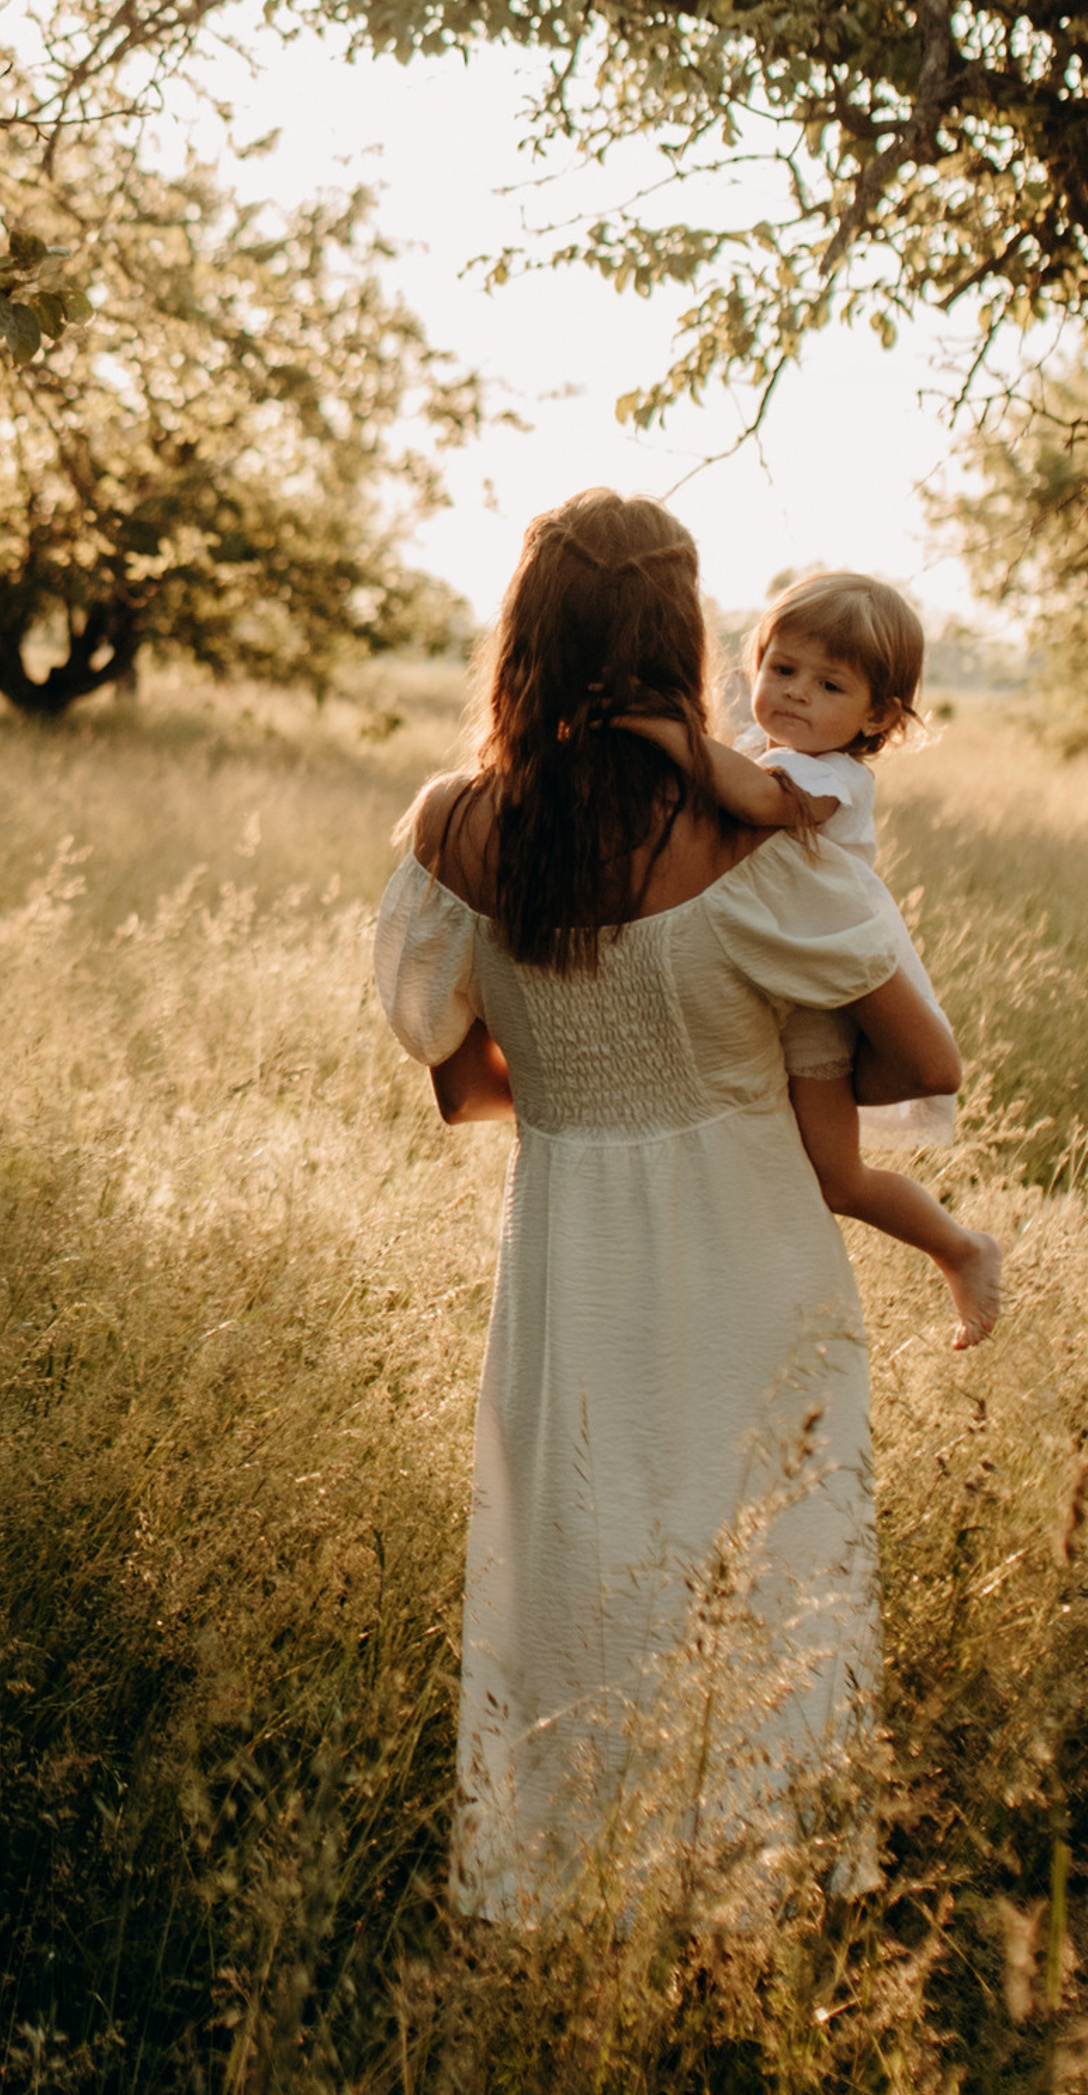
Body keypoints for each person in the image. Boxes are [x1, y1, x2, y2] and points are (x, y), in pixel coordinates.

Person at [373, 490, 963, 1919]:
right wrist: (752, 1070)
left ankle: (566, 1894)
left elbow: (463, 1087)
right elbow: (926, 1062)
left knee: (575, 1561)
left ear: (525, 631)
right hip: (750, 1244)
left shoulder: (454, 832)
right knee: (764, 1565)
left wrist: (593, 1097)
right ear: (680, 637)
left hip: (572, 1251)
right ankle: (759, 1897)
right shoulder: (763, 843)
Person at [624, 569, 1000, 1350]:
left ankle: (960, 1248)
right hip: (773, 975)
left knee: (837, 1177)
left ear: (878, 716)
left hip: (828, 988)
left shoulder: (831, 779)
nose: (795, 694)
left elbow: (758, 801)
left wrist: (670, 736)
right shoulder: (763, 745)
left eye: (829, 684)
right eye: (782, 669)